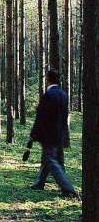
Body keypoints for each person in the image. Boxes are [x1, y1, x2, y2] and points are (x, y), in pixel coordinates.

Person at [29, 68, 78, 198]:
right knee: (56, 160)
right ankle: (40, 183)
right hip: (60, 134)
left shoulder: (48, 95)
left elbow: (41, 117)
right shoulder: (63, 94)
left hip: (49, 135)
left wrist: (34, 134)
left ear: (48, 79)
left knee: (50, 159)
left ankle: (68, 188)